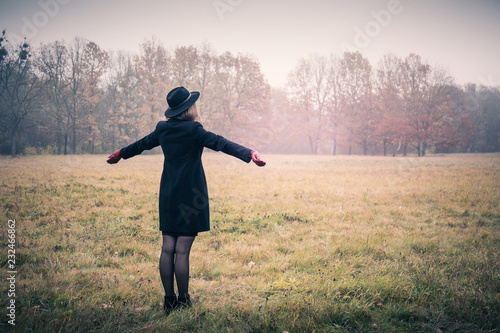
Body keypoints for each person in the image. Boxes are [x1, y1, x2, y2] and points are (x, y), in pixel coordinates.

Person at [106, 86, 266, 315]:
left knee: (168, 246)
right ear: (189, 108)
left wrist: (121, 153)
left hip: (169, 192)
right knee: (181, 250)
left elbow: (142, 144)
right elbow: (220, 142)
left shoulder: (163, 129)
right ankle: (183, 300)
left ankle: (169, 300)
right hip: (191, 195)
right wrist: (249, 153)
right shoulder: (194, 129)